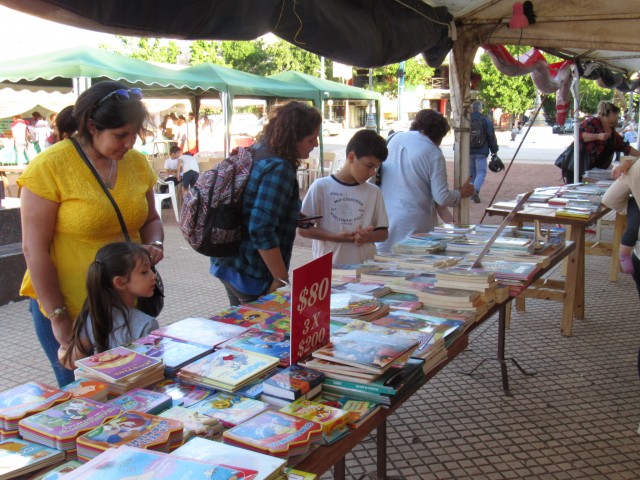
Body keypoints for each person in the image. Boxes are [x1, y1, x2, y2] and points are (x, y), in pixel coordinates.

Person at [18, 80, 164, 387]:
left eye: (135, 133)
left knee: (133, 388)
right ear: (91, 126)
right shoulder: (51, 166)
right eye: (121, 135)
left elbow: (151, 219)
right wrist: (60, 319)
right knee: (86, 396)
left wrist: (154, 244)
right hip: (70, 308)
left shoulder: (136, 164)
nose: (130, 143)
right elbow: (34, 250)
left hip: (125, 305)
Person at [210, 101, 322, 306]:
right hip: (252, 273)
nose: (315, 144)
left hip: (228, 264)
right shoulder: (279, 168)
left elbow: (249, 205)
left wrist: (288, 215)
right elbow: (261, 228)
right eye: (311, 139)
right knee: (264, 333)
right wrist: (280, 279)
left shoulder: (255, 151)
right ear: (293, 139)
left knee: (242, 330)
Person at [376, 109, 475, 254]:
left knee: (386, 262)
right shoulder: (433, 153)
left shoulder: (393, 138)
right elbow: (442, 198)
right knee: (413, 266)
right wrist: (461, 193)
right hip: (415, 222)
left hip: (385, 217)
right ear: (438, 136)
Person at [58, 242, 159, 369]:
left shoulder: (93, 315)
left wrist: (61, 351)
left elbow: (72, 361)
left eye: (151, 269)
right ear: (120, 282)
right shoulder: (146, 324)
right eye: (144, 272)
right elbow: (152, 370)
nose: (153, 276)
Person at [298, 129, 389, 264]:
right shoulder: (321, 187)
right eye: (369, 166)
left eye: (375, 168)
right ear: (351, 157)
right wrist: (335, 237)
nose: (371, 172)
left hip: (365, 270)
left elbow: (383, 233)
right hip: (328, 270)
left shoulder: (374, 192)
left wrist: (367, 236)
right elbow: (303, 229)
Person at [469, 100, 499, 203]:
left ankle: (471, 191)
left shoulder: (466, 120)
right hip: (482, 150)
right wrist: (494, 150)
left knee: (471, 173)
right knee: (481, 172)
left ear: (472, 109)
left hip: (468, 151)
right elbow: (491, 136)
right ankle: (475, 190)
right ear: (481, 109)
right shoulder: (485, 120)